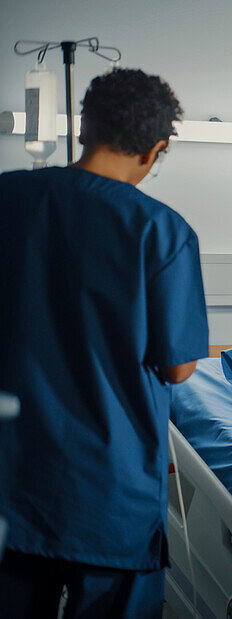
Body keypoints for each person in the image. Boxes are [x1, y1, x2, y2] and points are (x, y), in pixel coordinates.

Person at [0, 68, 209, 617]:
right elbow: (179, 367)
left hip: (12, 478)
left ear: (83, 129)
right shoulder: (160, 232)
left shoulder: (8, 198)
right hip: (107, 490)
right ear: (156, 149)